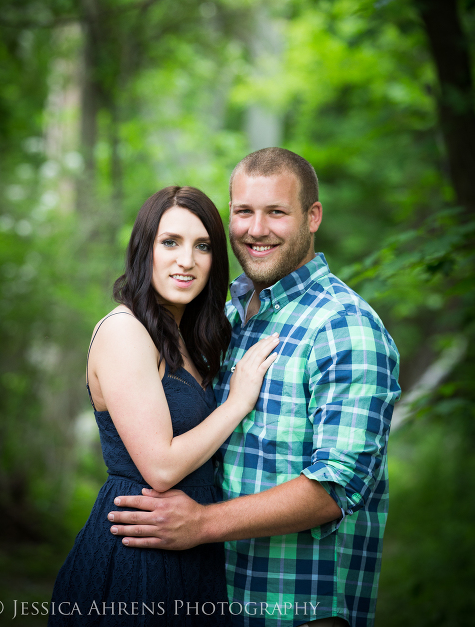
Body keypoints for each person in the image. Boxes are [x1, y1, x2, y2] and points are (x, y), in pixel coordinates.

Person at [107, 149, 401, 627]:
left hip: (299, 607)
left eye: (276, 212)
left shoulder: (343, 327)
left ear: (313, 216)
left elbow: (336, 488)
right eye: (243, 211)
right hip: (212, 597)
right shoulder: (227, 318)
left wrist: (201, 524)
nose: (256, 228)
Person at [49, 185, 279, 626]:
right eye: (170, 242)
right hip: (138, 552)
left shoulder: (184, 338)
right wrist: (237, 402)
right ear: (144, 249)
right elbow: (160, 467)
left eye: (203, 246)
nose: (186, 260)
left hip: (191, 546)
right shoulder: (125, 332)